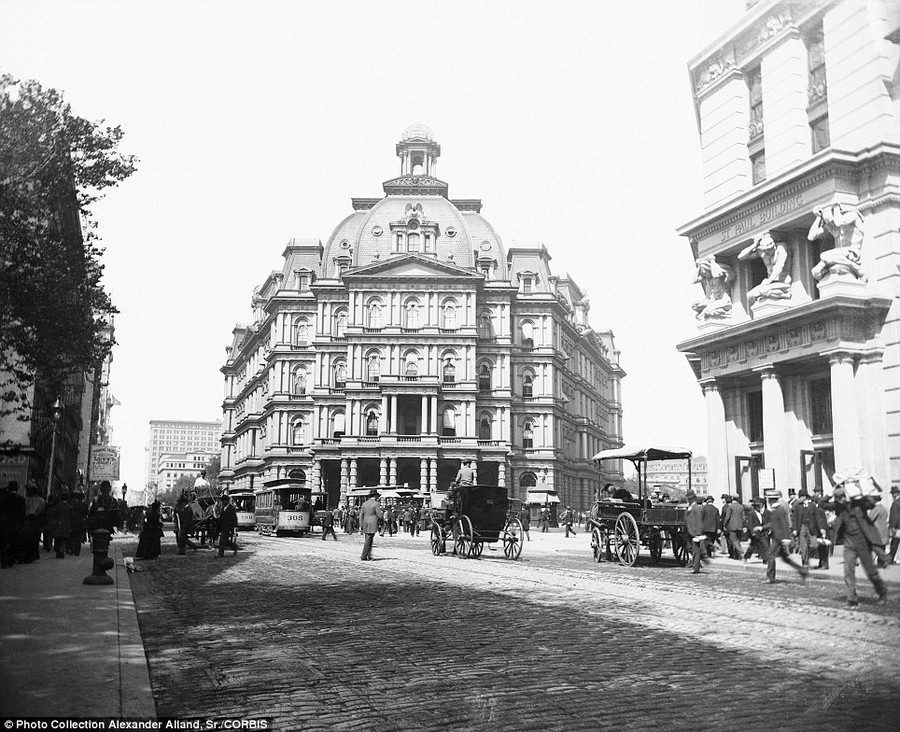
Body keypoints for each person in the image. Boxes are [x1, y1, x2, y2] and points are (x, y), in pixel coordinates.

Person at [819, 473, 887, 608]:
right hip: (849, 542)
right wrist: (831, 491)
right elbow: (822, 504)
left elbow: (872, 502)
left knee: (870, 570)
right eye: (838, 498)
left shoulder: (859, 503)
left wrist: (863, 488)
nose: (840, 500)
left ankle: (882, 592)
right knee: (848, 570)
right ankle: (851, 599)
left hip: (862, 542)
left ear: (847, 496)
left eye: (842, 498)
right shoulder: (838, 505)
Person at [760, 491, 808, 585]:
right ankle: (801, 570)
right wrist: (762, 527)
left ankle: (770, 578)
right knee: (785, 558)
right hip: (777, 536)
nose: (769, 501)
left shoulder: (780, 510)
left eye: (770, 500)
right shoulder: (776, 509)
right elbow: (773, 524)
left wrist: (786, 538)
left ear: (772, 500)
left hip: (779, 537)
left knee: (770, 555)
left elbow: (784, 523)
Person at [737, 232, 792, 304]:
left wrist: (769, 281)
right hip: (769, 284)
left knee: (764, 291)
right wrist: (755, 245)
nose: (767, 252)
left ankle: (786, 295)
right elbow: (741, 257)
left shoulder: (781, 247)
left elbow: (780, 266)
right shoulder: (762, 252)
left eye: (769, 250)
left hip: (782, 282)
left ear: (773, 246)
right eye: (765, 250)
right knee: (749, 295)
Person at [791, 490, 826, 569]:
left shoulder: (813, 506)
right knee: (803, 546)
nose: (799, 498)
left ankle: (809, 554)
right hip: (802, 527)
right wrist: (795, 529)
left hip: (811, 528)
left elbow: (817, 518)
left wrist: (821, 529)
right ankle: (805, 563)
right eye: (799, 496)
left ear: (805, 497)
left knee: (814, 545)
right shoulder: (798, 507)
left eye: (801, 496)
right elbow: (795, 519)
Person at [0, 481, 26, 568]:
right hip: (15, 525)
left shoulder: (2, 498)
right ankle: (10, 559)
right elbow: (23, 513)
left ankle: (3, 559)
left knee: (3, 542)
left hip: (3, 524)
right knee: (13, 542)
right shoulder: (21, 499)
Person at [20, 481, 45, 563]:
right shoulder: (41, 501)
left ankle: (25, 555)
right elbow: (41, 512)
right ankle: (32, 555)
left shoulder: (25, 500)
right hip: (35, 521)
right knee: (34, 539)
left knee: (26, 538)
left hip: (26, 520)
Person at [684, 491, 709, 574]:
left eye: (690, 498)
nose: (689, 500)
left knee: (695, 550)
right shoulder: (690, 507)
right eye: (688, 498)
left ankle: (696, 567)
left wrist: (698, 533)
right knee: (690, 549)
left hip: (694, 532)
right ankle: (699, 561)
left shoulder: (696, 508)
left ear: (693, 499)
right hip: (689, 531)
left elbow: (699, 521)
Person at [359, 490, 383, 561]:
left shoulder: (364, 503)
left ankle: (368, 555)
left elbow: (361, 515)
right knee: (369, 540)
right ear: (375, 496)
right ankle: (364, 555)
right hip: (372, 523)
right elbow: (380, 515)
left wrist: (361, 524)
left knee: (368, 539)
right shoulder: (376, 504)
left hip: (365, 522)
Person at [742, 499, 768, 563]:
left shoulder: (761, 513)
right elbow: (750, 524)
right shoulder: (752, 514)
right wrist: (752, 532)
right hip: (755, 533)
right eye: (757, 506)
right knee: (753, 546)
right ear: (755, 507)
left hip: (761, 533)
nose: (759, 507)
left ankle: (765, 559)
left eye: (759, 506)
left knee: (765, 546)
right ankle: (746, 556)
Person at [720, 494, 745, 559]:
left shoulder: (730, 507)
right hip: (740, 525)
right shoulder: (741, 506)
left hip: (732, 526)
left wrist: (724, 524)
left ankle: (741, 551)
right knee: (738, 540)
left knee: (733, 539)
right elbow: (743, 517)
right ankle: (738, 555)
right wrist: (744, 525)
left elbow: (727, 517)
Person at [869, 494, 890, 568]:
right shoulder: (884, 508)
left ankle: (885, 558)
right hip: (884, 530)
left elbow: (870, 519)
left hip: (877, 530)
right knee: (882, 546)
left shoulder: (875, 509)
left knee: (874, 546)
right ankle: (881, 563)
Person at [69, 491, 89, 556]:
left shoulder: (73, 504)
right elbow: (87, 513)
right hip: (81, 522)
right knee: (78, 537)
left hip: (73, 522)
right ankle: (77, 551)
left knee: (72, 537)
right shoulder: (85, 505)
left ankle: (72, 549)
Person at [888, 485, 900, 564]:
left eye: (892, 493)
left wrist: (892, 526)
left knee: (894, 544)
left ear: (895, 494)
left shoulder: (895, 503)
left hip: (898, 527)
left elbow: (895, 516)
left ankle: (890, 559)